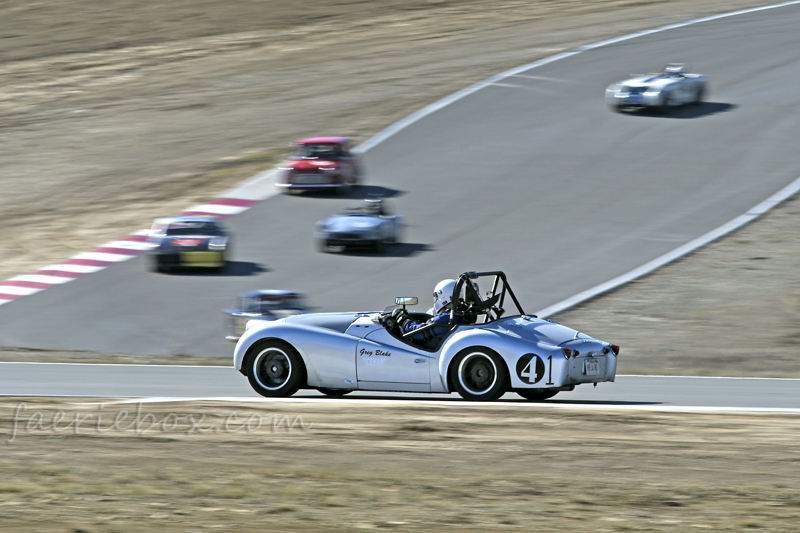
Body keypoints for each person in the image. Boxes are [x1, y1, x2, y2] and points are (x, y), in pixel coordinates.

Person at [396, 279, 460, 344]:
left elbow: (417, 333)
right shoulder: (459, 315)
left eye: (436, 297)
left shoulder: (444, 318)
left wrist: (404, 320)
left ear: (444, 297)